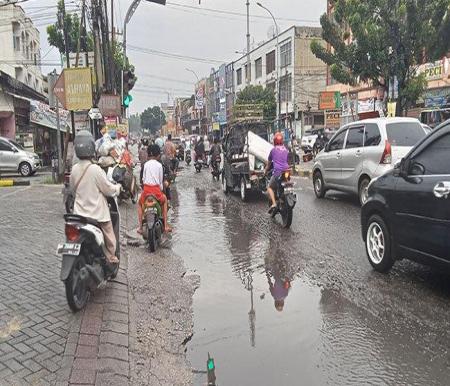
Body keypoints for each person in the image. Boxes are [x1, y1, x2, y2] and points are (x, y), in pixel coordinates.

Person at [70, 130, 121, 264]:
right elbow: (108, 189)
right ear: (92, 147)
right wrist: (117, 188)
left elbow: (72, 190)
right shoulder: (95, 169)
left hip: (79, 214)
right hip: (96, 215)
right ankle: (110, 256)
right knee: (109, 231)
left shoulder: (74, 169)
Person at [138, 144, 172, 234]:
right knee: (164, 201)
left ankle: (140, 227)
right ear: (158, 155)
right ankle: (165, 226)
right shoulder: (159, 165)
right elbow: (160, 182)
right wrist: (161, 189)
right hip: (156, 191)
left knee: (139, 203)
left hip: (146, 191)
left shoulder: (145, 165)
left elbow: (143, 179)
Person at [264, 132, 290, 213]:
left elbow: (268, 165)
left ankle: (274, 203)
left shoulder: (273, 150)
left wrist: (265, 171)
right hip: (287, 171)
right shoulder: (286, 150)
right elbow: (287, 160)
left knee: (269, 187)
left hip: (277, 173)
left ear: (274, 141)